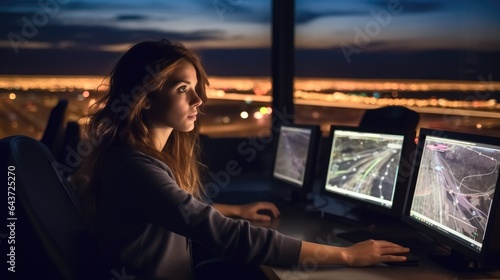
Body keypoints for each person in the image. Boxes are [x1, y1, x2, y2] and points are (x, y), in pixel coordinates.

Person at [73, 39, 409, 279]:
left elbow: (179, 210)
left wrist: (236, 210)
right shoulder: (136, 168)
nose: (198, 99)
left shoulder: (133, 157)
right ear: (144, 99)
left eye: (196, 88)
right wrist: (347, 255)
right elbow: (229, 237)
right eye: (182, 89)